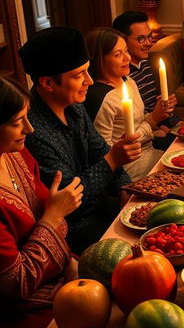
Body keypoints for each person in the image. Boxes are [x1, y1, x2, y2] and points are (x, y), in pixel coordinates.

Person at [20, 27, 141, 254]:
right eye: (78, 75)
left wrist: (123, 186)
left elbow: (100, 149)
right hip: (74, 229)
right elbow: (70, 197)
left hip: (104, 205)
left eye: (87, 71)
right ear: (47, 83)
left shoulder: (74, 106)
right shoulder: (31, 130)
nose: (90, 80)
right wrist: (112, 160)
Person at [0, 76, 83, 328]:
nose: (30, 130)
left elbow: (54, 211)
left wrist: (68, 262)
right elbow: (14, 282)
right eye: (16, 122)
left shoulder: (15, 154)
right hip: (21, 314)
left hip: (59, 274)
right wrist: (52, 218)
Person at [84, 28, 163, 182]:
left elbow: (136, 122)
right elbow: (105, 151)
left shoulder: (127, 80)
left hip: (148, 150)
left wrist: (158, 113)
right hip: (129, 168)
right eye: (117, 54)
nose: (127, 58)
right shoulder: (102, 97)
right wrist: (153, 120)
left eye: (126, 51)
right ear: (100, 59)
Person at [112, 11, 179, 145]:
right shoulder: (123, 75)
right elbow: (136, 118)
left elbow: (152, 104)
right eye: (141, 39)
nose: (149, 43)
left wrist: (167, 105)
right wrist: (158, 126)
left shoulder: (145, 63)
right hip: (143, 135)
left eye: (150, 37)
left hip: (158, 124)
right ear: (122, 41)